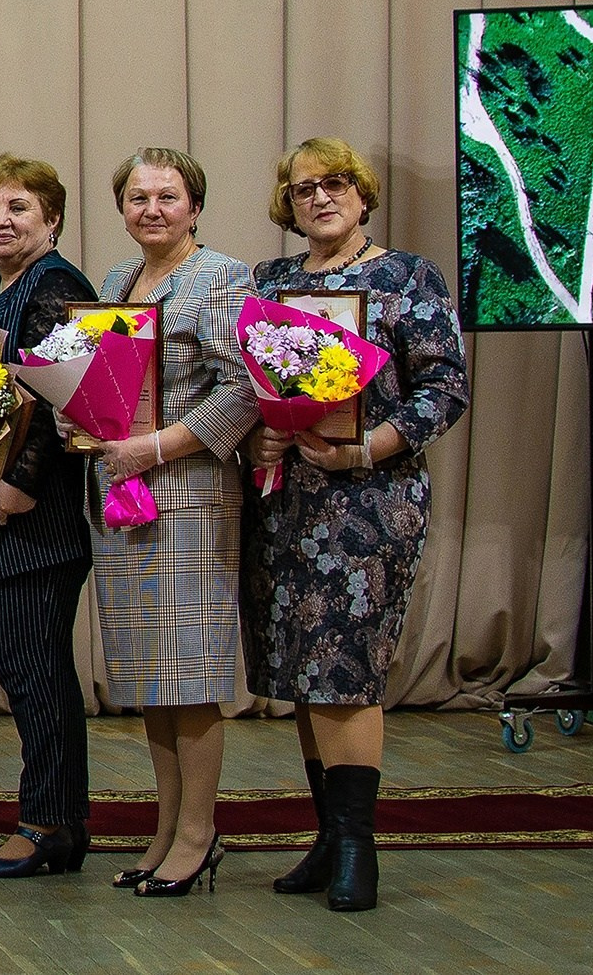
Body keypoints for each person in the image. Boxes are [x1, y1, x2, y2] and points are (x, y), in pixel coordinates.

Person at [243, 139, 468, 913]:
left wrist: (368, 446)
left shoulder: (405, 276)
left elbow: (445, 388)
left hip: (370, 504)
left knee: (345, 669)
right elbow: (248, 388)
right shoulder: (269, 283)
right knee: (303, 672)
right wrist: (262, 435)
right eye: (303, 188)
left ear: (363, 195)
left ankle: (358, 847)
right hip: (285, 502)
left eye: (334, 183)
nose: (319, 197)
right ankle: (327, 836)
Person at [88, 147, 255, 898]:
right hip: (125, 498)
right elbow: (102, 383)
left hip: (188, 494)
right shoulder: (116, 282)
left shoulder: (221, 275)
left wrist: (153, 447)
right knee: (153, 678)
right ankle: (166, 827)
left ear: (194, 206)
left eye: (167, 196)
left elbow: (246, 390)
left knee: (192, 675)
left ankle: (200, 832)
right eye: (137, 197)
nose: (151, 209)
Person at [0, 155, 97, 880]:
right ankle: (54, 818)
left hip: (33, 512)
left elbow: (60, 390)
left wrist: (23, 483)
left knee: (38, 672)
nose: (1, 220)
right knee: (21, 669)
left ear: (53, 221)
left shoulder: (58, 285)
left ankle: (51, 823)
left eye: (19, 208)